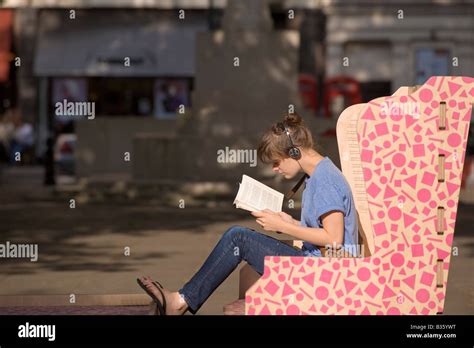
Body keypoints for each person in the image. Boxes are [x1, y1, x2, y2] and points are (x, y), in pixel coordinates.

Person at [137, 113, 359, 315]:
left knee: (238, 237)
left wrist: (284, 228)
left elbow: (333, 239)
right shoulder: (317, 175)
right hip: (319, 264)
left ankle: (180, 301)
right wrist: (289, 220)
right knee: (239, 238)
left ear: (294, 152)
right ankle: (181, 300)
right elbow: (324, 231)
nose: (274, 169)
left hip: (327, 274)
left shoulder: (325, 180)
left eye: (276, 161)